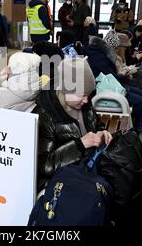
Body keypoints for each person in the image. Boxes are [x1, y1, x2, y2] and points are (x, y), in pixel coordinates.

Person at [33, 57, 112, 192]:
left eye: (88, 94)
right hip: (62, 183)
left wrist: (102, 132)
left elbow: (96, 125)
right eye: (81, 95)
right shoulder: (46, 115)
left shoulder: (85, 104)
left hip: (87, 170)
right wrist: (79, 145)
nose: (87, 100)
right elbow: (43, 165)